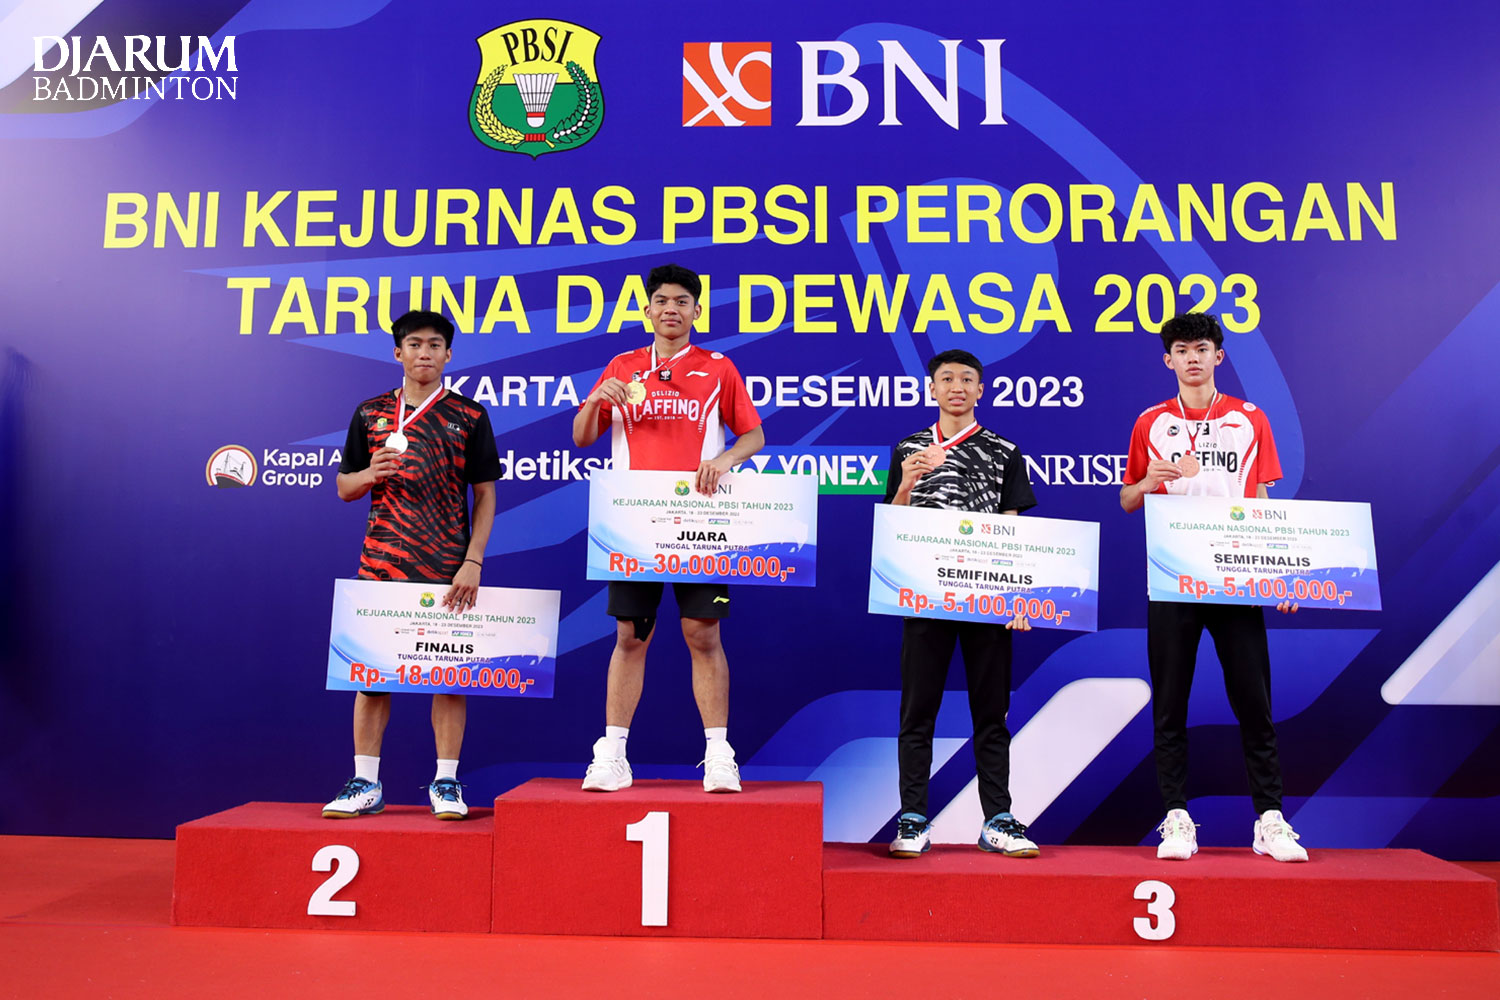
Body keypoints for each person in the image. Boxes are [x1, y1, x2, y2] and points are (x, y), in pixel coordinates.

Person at [1119, 311, 1308, 862]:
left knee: (1255, 702)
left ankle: (1269, 818)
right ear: (1168, 360)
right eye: (1182, 350)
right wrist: (1149, 480)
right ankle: (1177, 817)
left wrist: (1277, 573)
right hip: (1173, 580)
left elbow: (1261, 501)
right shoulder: (1150, 422)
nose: (1193, 358)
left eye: (1202, 348)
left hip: (1236, 580)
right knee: (1170, 704)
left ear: (1218, 356)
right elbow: (1128, 500)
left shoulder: (1250, 419)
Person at [572, 263, 765, 793]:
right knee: (631, 636)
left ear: (697, 310)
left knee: (703, 633)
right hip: (633, 523)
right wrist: (597, 399)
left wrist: (725, 459)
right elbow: (582, 436)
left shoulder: (718, 367)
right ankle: (612, 754)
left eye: (682, 301)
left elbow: (753, 435)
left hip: (699, 521)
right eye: (661, 301)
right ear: (648, 310)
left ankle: (719, 754)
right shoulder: (623, 365)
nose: (671, 309)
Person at [322, 310, 501, 820]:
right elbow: (344, 487)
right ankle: (365, 782)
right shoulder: (371, 413)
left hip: (448, 564)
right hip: (381, 562)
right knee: (371, 675)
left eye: (435, 345)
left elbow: (486, 495)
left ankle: (446, 782)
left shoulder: (469, 415)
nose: (425, 352)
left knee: (449, 677)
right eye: (415, 344)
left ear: (449, 355)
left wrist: (473, 559)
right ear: (398, 352)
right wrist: (369, 474)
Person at [884, 349, 1039, 859]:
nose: (956, 386)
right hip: (923, 595)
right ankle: (913, 818)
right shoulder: (909, 447)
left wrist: (1016, 596)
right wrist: (907, 483)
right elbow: (893, 526)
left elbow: (1012, 530)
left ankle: (998, 819)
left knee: (991, 713)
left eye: (966, 379)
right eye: (946, 378)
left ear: (980, 390)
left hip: (986, 599)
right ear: (932, 389)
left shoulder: (1003, 450)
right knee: (918, 712)